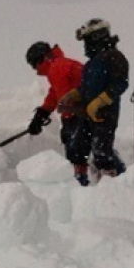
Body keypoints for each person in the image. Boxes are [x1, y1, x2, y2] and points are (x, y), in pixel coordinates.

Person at [58, 18, 129, 180]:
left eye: (87, 40)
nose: (85, 45)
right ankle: (79, 182)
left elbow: (121, 83)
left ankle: (114, 183)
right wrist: (73, 95)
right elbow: (85, 87)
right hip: (86, 113)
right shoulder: (91, 63)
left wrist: (100, 101)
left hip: (105, 115)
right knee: (78, 147)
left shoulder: (115, 57)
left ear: (97, 37)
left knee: (101, 150)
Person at [25, 42, 93, 186]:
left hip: (80, 113)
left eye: (33, 65)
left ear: (40, 59)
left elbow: (65, 98)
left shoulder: (58, 68)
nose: (35, 69)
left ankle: (80, 183)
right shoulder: (60, 65)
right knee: (81, 148)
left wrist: (68, 124)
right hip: (87, 111)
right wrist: (41, 114)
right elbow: (54, 94)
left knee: (76, 150)